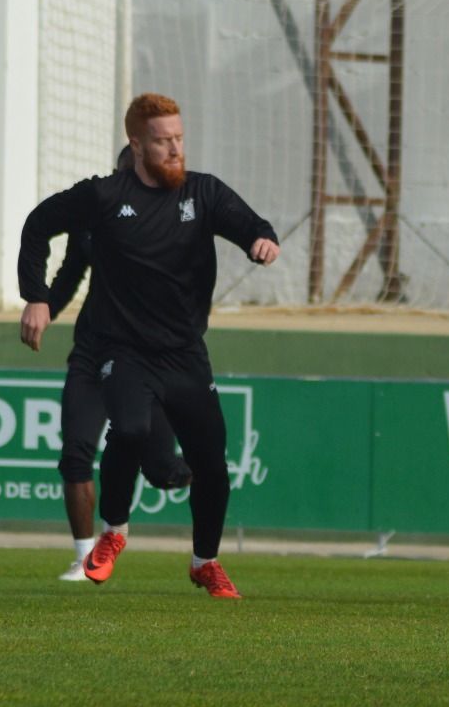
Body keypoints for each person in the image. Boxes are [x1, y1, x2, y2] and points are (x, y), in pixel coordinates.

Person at [18, 92, 280, 599]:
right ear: (136, 144)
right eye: (163, 142)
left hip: (185, 354)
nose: (175, 149)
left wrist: (260, 241)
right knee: (132, 429)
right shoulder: (103, 197)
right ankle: (113, 532)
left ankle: (205, 563)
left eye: (180, 139)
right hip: (125, 351)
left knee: (210, 466)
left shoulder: (203, 194)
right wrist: (37, 298)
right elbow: (37, 225)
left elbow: (250, 224)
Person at [28, 146, 193, 582]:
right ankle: (85, 559)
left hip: (145, 360)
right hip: (92, 351)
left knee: (163, 471)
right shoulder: (94, 216)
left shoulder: (171, 226)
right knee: (75, 452)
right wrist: (42, 304)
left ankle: (202, 468)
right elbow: (69, 273)